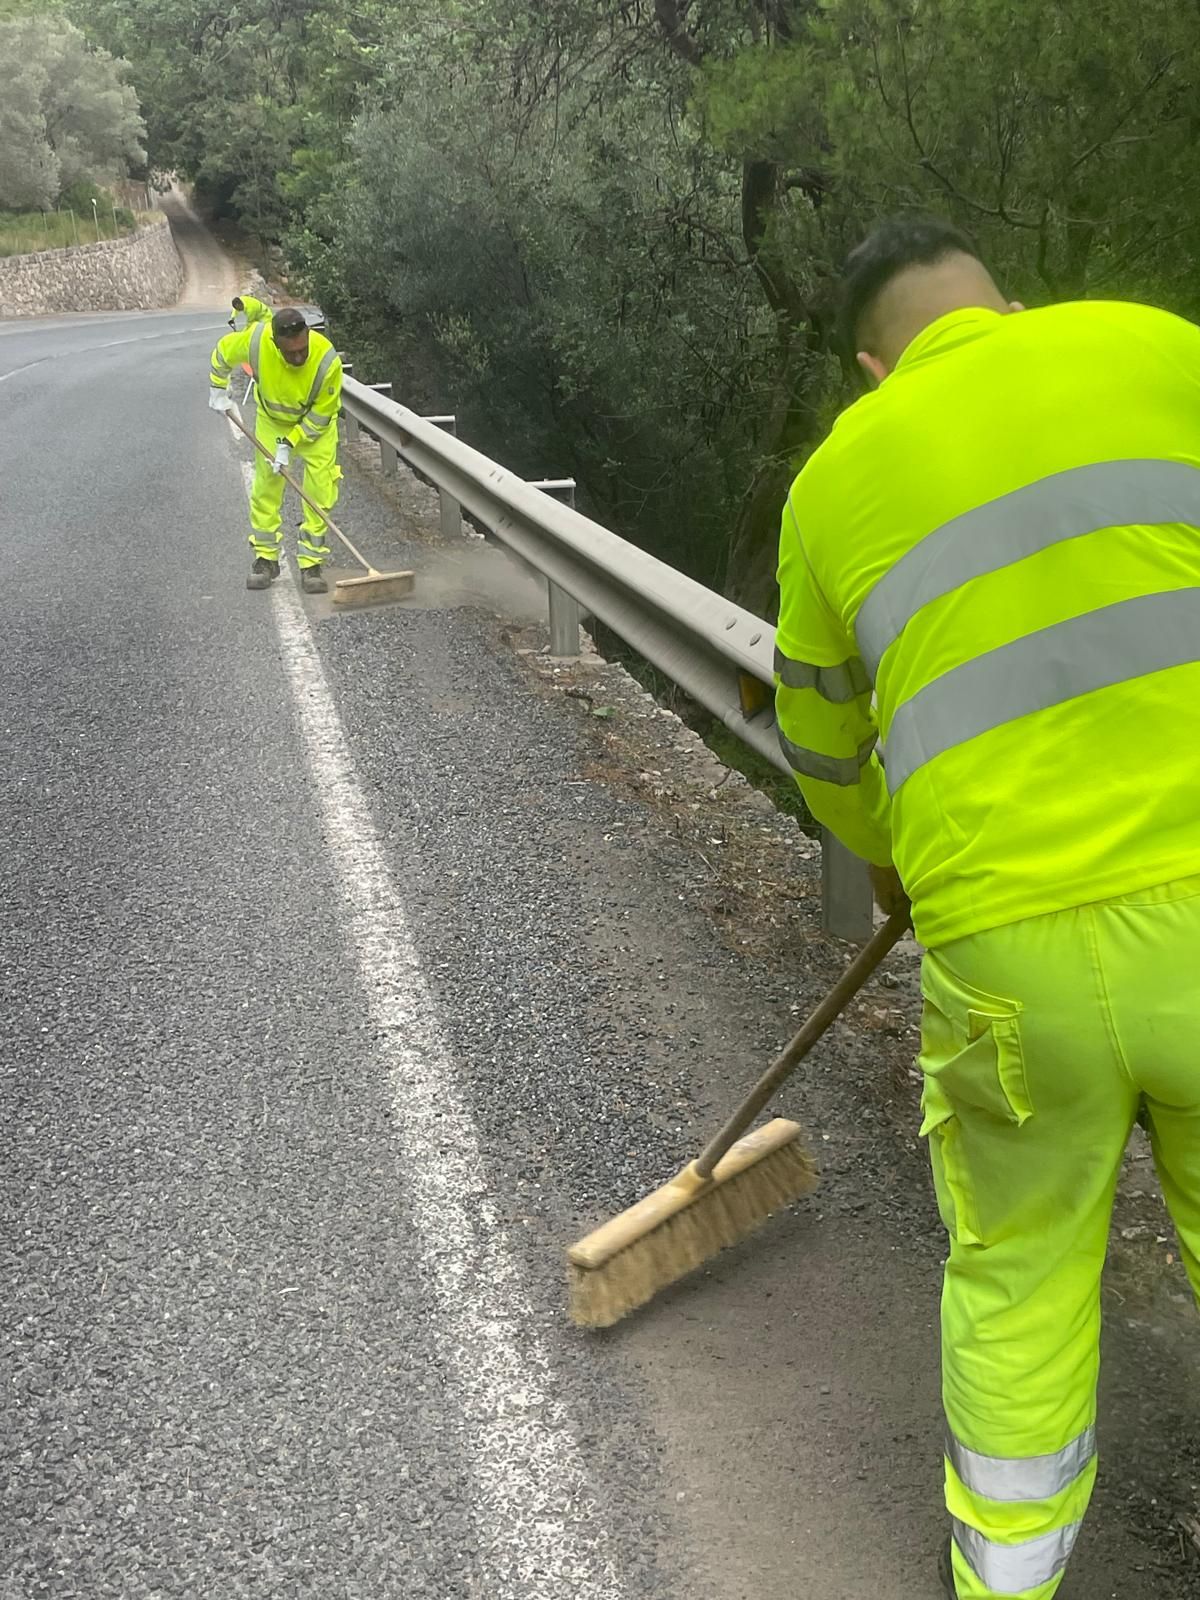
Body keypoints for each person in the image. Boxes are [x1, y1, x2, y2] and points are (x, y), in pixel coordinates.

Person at [773, 216, 1200, 1600]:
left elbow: (825, 742)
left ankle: (1008, 1581)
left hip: (1010, 958)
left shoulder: (838, 480)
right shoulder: (1155, 348)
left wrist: (893, 854)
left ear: (872, 363)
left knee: (1016, 1276)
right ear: (1007, 303)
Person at [208, 306, 343, 593]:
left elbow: (321, 414)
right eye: (289, 352)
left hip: (314, 430)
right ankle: (266, 559)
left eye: (301, 350)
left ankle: (311, 564)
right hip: (272, 421)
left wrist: (291, 441)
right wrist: (218, 388)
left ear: (308, 334)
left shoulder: (326, 360)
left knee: (320, 489)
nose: (297, 357)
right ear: (275, 343)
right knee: (266, 487)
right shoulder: (257, 341)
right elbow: (222, 352)